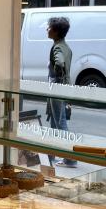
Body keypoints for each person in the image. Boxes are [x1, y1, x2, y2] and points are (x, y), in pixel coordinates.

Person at [45, 16, 77, 167]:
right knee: (55, 121)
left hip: (57, 88)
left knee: (60, 123)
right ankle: (51, 155)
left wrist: (57, 77)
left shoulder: (57, 47)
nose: (47, 29)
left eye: (50, 28)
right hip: (63, 88)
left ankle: (70, 158)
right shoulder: (65, 46)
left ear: (56, 32)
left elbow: (59, 62)